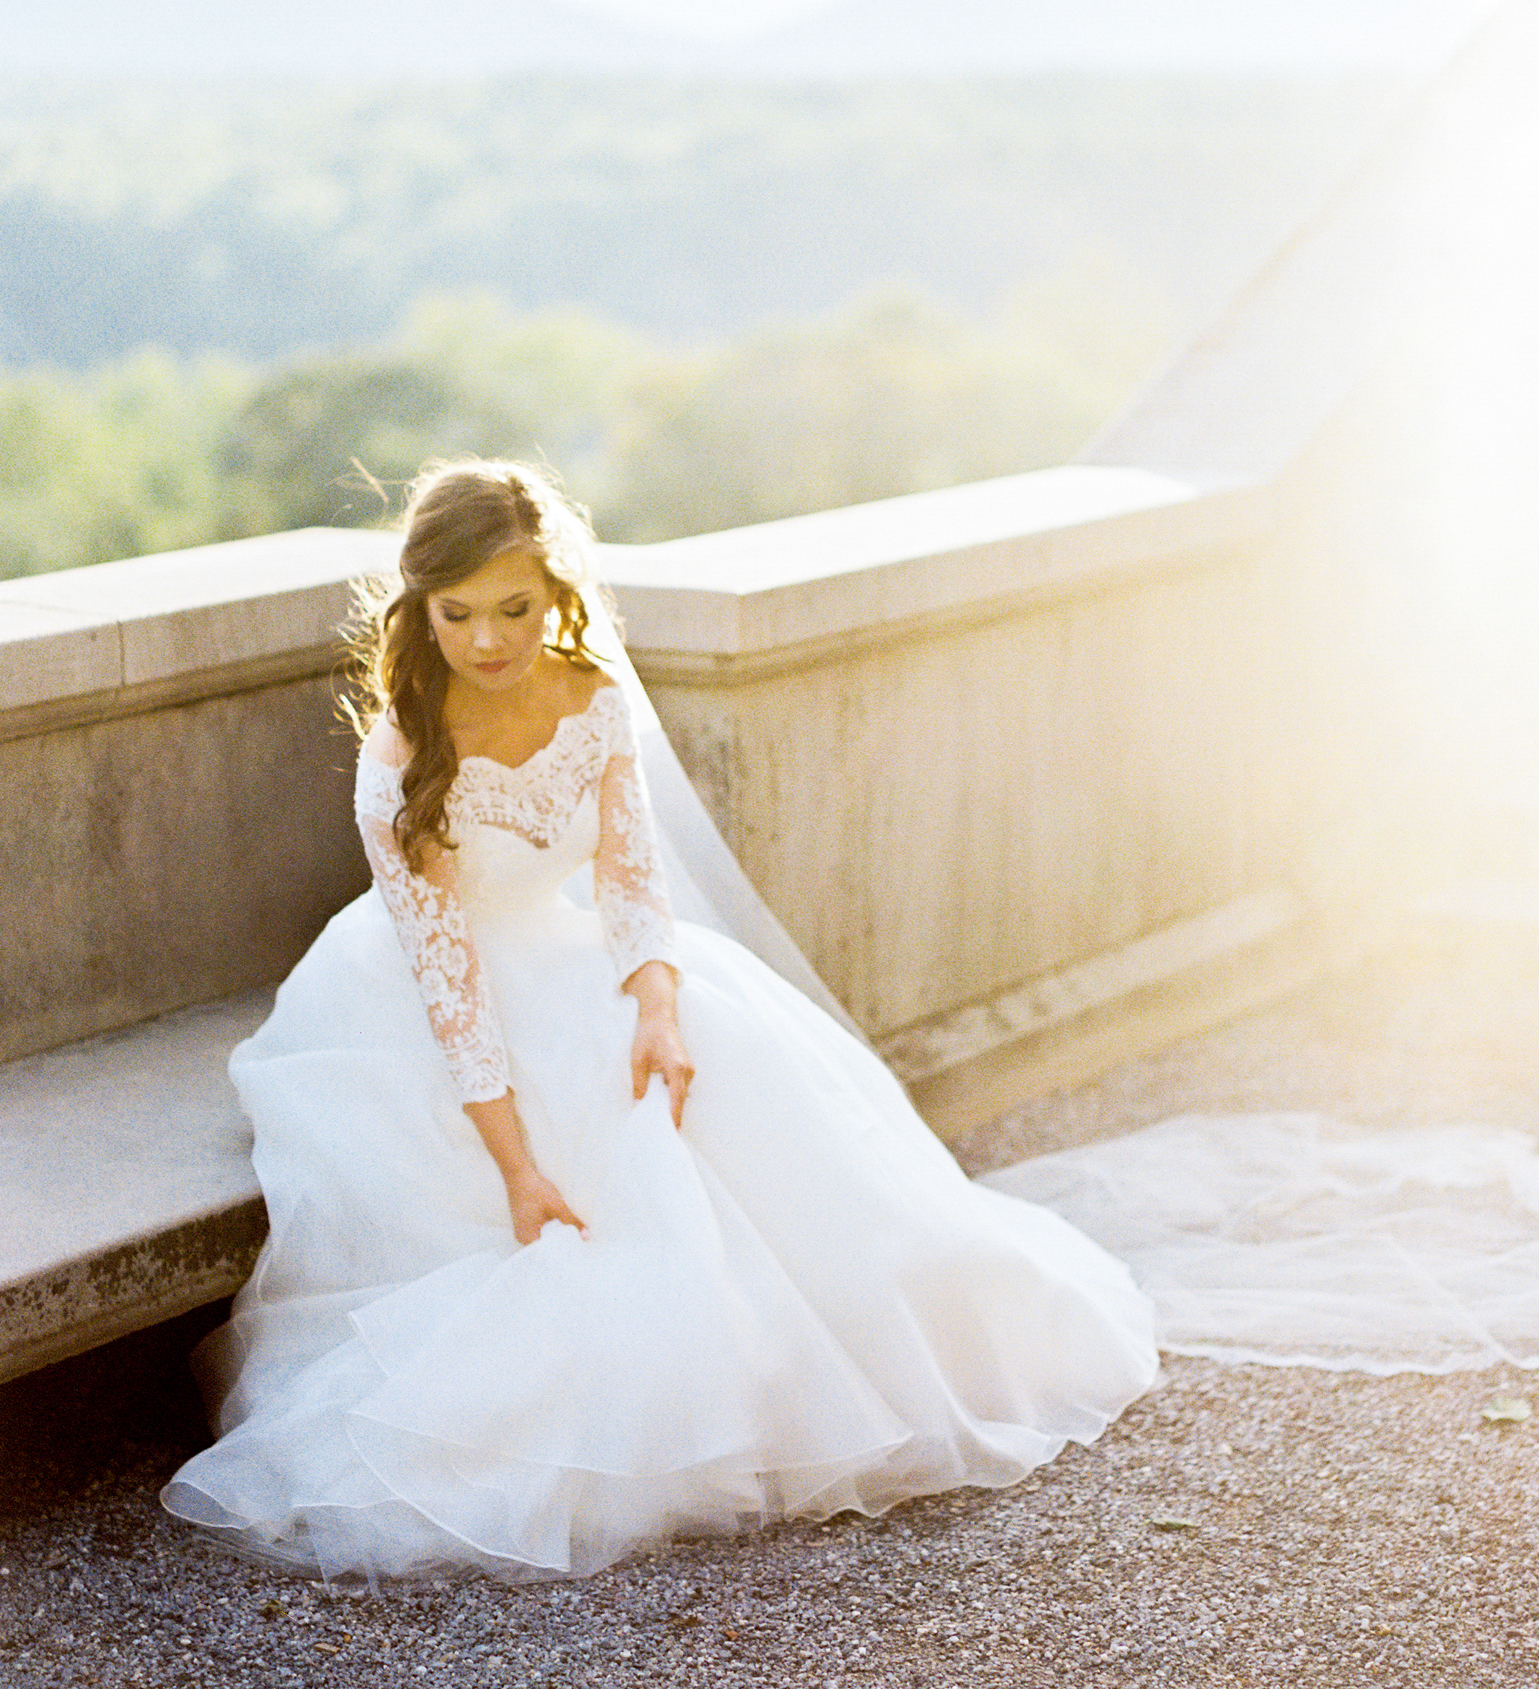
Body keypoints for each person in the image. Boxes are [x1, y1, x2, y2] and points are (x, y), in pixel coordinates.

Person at [162, 458, 1158, 1584]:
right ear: (417, 605)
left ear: (556, 594)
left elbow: (633, 881)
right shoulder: (401, 749)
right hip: (429, 1001)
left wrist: (657, 1001)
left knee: (708, 1075)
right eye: (458, 613)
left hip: (580, 953)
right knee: (564, 1173)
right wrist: (519, 1167)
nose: (489, 640)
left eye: (515, 607)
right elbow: (448, 984)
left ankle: (802, 1371)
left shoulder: (589, 697)